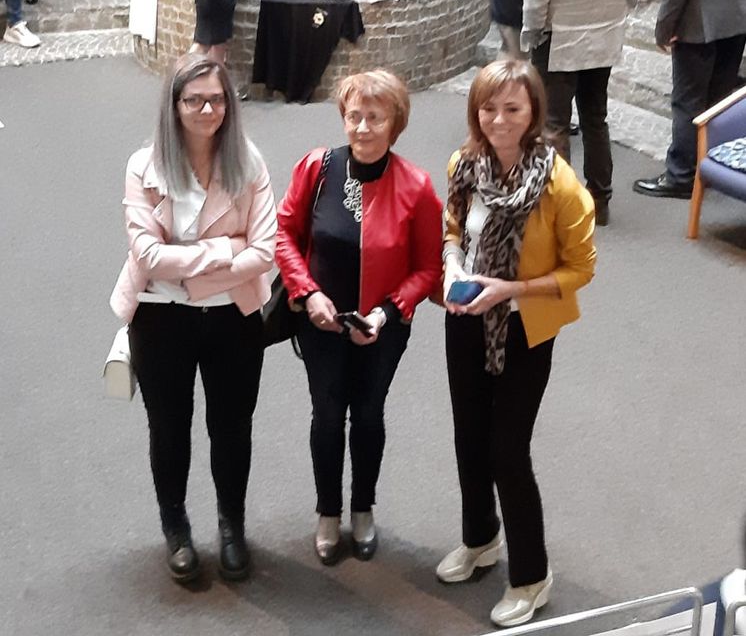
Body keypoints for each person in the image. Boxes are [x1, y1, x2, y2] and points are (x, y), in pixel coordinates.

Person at [437, 60, 596, 628]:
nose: (499, 119)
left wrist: (511, 289)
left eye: (512, 108)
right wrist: (452, 263)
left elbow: (581, 269)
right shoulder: (464, 163)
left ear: (533, 113)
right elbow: (453, 226)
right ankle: (480, 539)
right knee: (468, 438)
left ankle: (532, 576)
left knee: (507, 449)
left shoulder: (559, 185)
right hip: (466, 317)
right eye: (488, 108)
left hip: (525, 327)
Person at [109, 54, 277, 583]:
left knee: (232, 428)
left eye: (217, 99)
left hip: (234, 319)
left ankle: (231, 525)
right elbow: (147, 256)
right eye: (194, 100)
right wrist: (226, 250)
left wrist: (191, 267)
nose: (208, 110)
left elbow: (265, 251)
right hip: (160, 319)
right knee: (169, 428)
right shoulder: (143, 166)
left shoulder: (249, 163)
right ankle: (176, 527)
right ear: (174, 104)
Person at [275, 70, 443, 565]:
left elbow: (428, 268)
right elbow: (283, 235)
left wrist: (387, 314)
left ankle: (363, 509)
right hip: (320, 322)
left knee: (368, 414)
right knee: (327, 415)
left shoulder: (417, 186)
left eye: (375, 117)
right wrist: (308, 294)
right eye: (354, 116)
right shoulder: (317, 167)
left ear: (396, 123)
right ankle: (328, 512)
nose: (363, 128)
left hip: (382, 328)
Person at [521, 0, 650, 226]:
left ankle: (560, 206)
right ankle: (599, 200)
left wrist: (532, 31)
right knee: (595, 118)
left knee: (554, 124)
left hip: (558, 38)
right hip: (605, 35)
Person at [633, 0, 746, 199]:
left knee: (688, 103)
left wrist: (665, 27)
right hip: (737, 18)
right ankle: (713, 166)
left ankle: (681, 176)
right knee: (719, 101)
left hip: (698, 23)